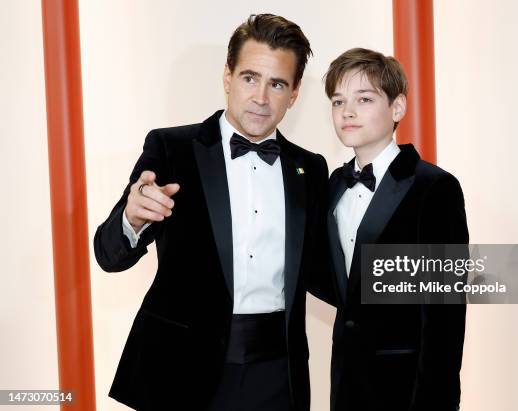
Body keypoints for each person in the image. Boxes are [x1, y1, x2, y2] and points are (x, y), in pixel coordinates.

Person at [94, 14, 331, 411]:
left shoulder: (310, 169)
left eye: (277, 84)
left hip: (278, 376)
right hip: (183, 371)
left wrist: (434, 274)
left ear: (293, 94)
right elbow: (108, 254)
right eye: (249, 78)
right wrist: (131, 220)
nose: (260, 97)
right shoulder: (172, 148)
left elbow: (330, 273)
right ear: (227, 76)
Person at [323, 48, 469, 411]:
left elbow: (445, 315)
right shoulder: (333, 185)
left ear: (398, 108)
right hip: (346, 383)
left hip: (407, 388)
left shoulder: (434, 187)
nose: (348, 111)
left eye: (364, 99)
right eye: (338, 101)